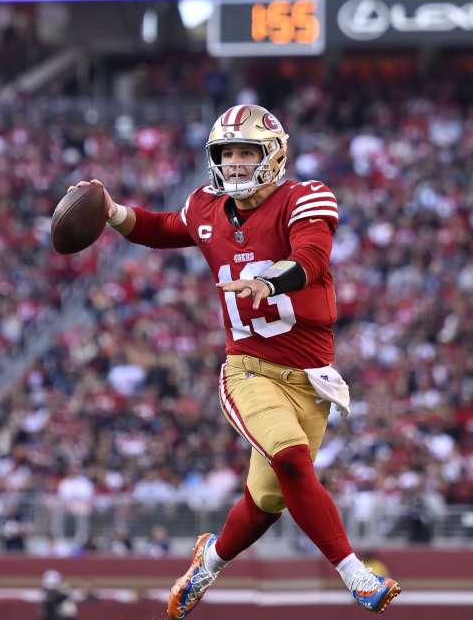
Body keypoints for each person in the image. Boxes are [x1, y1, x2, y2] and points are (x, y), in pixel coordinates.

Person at [69, 104, 401, 618]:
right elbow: (161, 228)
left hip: (310, 379)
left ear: (274, 154)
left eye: (248, 152)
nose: (238, 163)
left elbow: (312, 259)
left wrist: (267, 282)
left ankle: (208, 563)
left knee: (267, 502)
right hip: (248, 369)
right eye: (229, 153)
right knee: (290, 458)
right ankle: (356, 575)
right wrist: (113, 213)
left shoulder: (306, 197)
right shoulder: (206, 206)